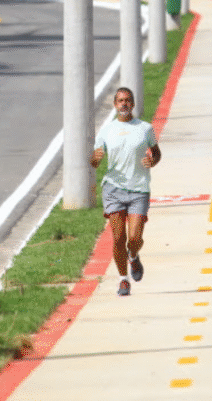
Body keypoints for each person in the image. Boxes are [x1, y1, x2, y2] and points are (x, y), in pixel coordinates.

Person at [90, 87, 162, 296]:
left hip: (139, 189)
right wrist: (95, 160)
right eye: (120, 100)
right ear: (115, 104)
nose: (124, 104)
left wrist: (152, 160)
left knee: (134, 239)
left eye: (128, 100)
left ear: (133, 104)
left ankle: (133, 256)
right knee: (118, 237)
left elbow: (156, 153)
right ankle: (123, 279)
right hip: (113, 189)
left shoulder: (145, 128)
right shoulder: (106, 131)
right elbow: (95, 160)